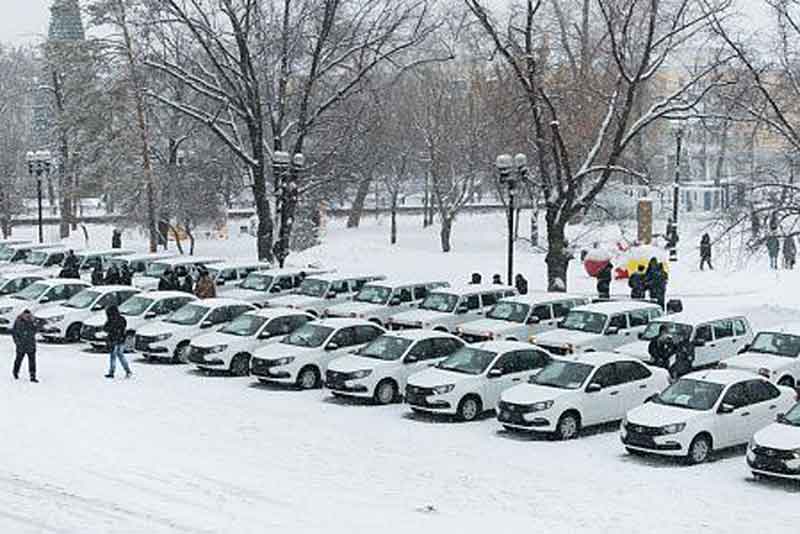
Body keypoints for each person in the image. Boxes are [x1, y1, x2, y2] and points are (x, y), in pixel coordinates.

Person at [103, 305, 131, 379]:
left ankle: (112, 372)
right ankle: (127, 371)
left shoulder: (111, 320)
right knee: (120, 355)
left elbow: (105, 328)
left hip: (113, 340)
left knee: (113, 357)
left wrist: (112, 331)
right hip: (121, 340)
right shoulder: (122, 319)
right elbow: (123, 328)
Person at [12, 310, 37, 382]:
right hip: (21, 345)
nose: (27, 317)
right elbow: (14, 333)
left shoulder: (32, 322)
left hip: (31, 345)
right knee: (18, 360)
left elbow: (35, 331)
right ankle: (15, 372)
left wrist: (34, 324)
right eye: (26, 316)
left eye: (29, 316)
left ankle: (32, 376)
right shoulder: (18, 322)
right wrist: (17, 343)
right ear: (22, 315)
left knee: (32, 361)